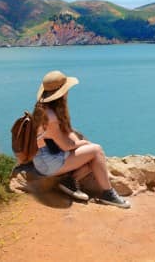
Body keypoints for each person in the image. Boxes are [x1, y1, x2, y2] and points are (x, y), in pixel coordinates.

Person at [31, 70, 130, 209]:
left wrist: (76, 141)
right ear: (61, 93)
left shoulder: (45, 109)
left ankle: (69, 181)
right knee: (97, 151)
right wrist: (83, 143)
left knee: (93, 160)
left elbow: (67, 131)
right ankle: (108, 194)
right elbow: (66, 146)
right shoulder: (51, 118)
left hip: (45, 157)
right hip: (48, 163)